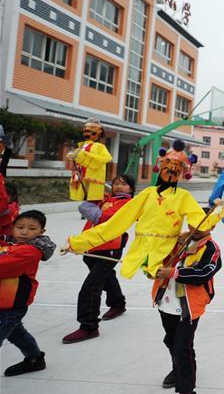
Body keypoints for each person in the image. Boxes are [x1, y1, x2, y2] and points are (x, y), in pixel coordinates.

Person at [63, 140, 206, 279]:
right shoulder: (148, 193)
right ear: (160, 168)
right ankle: (118, 301)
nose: (171, 171)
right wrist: (76, 243)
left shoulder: (184, 196)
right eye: (167, 167)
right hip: (141, 248)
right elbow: (117, 223)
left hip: (168, 253)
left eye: (175, 169)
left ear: (181, 172)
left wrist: (214, 214)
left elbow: (201, 220)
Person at [153, 205, 224, 394]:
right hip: (167, 302)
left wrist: (174, 272)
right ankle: (178, 368)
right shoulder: (178, 240)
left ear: (211, 224)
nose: (195, 225)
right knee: (171, 341)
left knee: (183, 348)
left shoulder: (212, 248)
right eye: (192, 219)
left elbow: (204, 272)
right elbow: (157, 255)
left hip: (189, 308)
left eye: (202, 221)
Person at [61, 174, 135, 344]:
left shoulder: (126, 204)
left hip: (110, 247)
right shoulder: (106, 198)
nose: (118, 186)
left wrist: (87, 207)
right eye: (115, 183)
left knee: (91, 287)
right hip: (92, 246)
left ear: (131, 189)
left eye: (124, 184)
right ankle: (118, 303)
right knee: (107, 276)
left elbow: (103, 218)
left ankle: (89, 326)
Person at [1, 210, 56, 376]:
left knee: (13, 329)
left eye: (32, 228)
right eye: (20, 227)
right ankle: (35, 359)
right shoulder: (10, 245)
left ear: (41, 232)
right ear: (12, 228)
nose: (24, 232)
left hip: (11, 305)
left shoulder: (30, 251)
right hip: (5, 302)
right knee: (16, 333)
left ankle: (34, 359)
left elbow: (3, 267)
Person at [67, 118, 111, 202]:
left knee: (92, 201)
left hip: (92, 177)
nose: (87, 132)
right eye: (86, 129)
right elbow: (77, 158)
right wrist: (74, 156)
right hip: (80, 176)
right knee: (84, 201)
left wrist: (83, 155)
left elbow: (106, 158)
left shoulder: (99, 146)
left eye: (91, 129)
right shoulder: (82, 146)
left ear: (99, 131)